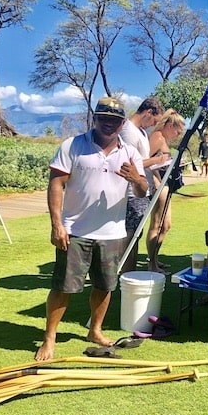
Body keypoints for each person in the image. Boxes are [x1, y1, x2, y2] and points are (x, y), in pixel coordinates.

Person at [35, 97, 148, 361]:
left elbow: (143, 191)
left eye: (115, 120)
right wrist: (57, 225)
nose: (109, 124)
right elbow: (56, 185)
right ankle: (49, 338)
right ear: (94, 119)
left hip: (112, 232)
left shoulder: (130, 152)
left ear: (122, 124)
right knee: (63, 286)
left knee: (105, 285)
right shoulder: (73, 145)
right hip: (75, 230)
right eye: (103, 118)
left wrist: (135, 179)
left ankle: (95, 331)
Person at [120, 96, 165, 273]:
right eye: (155, 120)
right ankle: (126, 275)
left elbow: (142, 161)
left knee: (136, 236)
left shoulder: (141, 132)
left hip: (142, 191)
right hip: (130, 193)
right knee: (129, 237)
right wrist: (157, 160)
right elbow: (128, 165)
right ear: (148, 113)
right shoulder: (128, 132)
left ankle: (131, 274)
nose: (154, 124)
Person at [146, 109, 186, 273]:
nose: (178, 134)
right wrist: (155, 178)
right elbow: (144, 160)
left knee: (166, 225)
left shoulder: (162, 139)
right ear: (169, 125)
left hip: (166, 184)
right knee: (157, 224)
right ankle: (152, 264)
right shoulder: (157, 137)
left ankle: (155, 259)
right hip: (159, 185)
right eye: (177, 130)